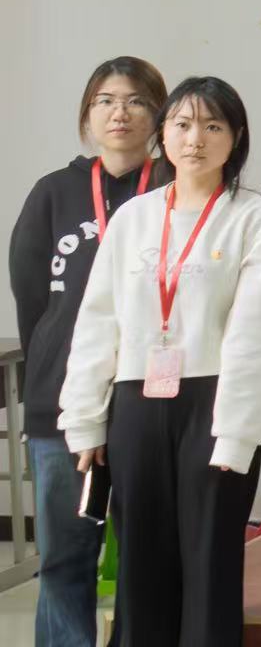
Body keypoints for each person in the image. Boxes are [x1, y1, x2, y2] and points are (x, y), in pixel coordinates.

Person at [60, 77, 261, 647]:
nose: (195, 139)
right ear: (162, 133)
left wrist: (236, 436)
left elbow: (255, 336)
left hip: (214, 406)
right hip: (136, 403)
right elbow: (98, 321)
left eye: (213, 126)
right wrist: (85, 419)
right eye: (183, 125)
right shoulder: (134, 218)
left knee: (209, 563)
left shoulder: (253, 218)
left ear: (236, 137)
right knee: (140, 562)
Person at [10, 56, 169, 647]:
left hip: (152, 403)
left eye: (136, 100)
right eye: (105, 100)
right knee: (64, 559)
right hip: (62, 407)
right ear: (87, 114)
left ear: (159, 115)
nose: (119, 112)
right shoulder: (53, 193)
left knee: (149, 560)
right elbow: (32, 301)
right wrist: (56, 365)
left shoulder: (178, 189)